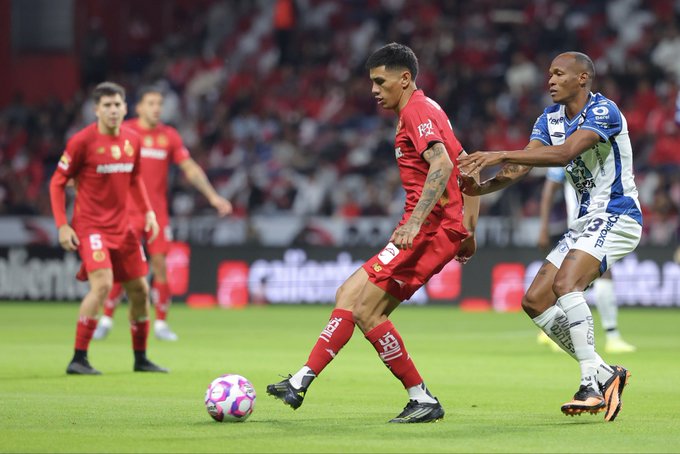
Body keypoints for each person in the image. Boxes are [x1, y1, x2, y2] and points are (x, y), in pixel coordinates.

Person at [266, 43, 480, 423]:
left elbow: (444, 164)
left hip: (427, 231)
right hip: (433, 228)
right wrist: (470, 229)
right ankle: (300, 380)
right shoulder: (427, 109)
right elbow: (468, 166)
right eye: (372, 82)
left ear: (405, 78)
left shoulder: (416, 111)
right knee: (348, 293)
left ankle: (421, 398)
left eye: (380, 81)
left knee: (367, 311)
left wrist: (417, 222)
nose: (373, 89)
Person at [458, 52, 640, 422]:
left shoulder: (604, 112)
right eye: (549, 74)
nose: (550, 81)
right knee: (535, 300)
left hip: (618, 214)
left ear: (583, 78)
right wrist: (479, 190)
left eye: (559, 74)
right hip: (585, 222)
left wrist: (497, 152)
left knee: (566, 283)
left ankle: (590, 383)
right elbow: (522, 166)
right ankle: (607, 374)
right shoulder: (549, 118)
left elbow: (565, 154)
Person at [93, 86, 232, 342]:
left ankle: (161, 324)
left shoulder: (168, 136)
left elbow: (189, 167)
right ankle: (106, 318)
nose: (157, 108)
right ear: (138, 108)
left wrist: (212, 196)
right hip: (126, 213)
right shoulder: (125, 131)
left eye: (159, 103)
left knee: (160, 267)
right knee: (122, 268)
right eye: (151, 103)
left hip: (157, 215)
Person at [49, 81, 168, 375]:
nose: (113, 110)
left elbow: (135, 177)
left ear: (125, 108)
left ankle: (140, 359)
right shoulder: (81, 142)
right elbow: (57, 182)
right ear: (96, 110)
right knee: (102, 285)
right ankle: (79, 358)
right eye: (107, 106)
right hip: (92, 228)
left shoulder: (132, 140)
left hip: (123, 228)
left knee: (140, 290)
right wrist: (63, 226)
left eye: (117, 105)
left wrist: (149, 213)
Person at [537, 167, 636, 354]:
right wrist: (543, 228)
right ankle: (612, 337)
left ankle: (553, 326)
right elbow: (550, 188)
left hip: (600, 220)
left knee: (576, 279)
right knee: (601, 274)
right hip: (586, 223)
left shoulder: (594, 149)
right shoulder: (569, 150)